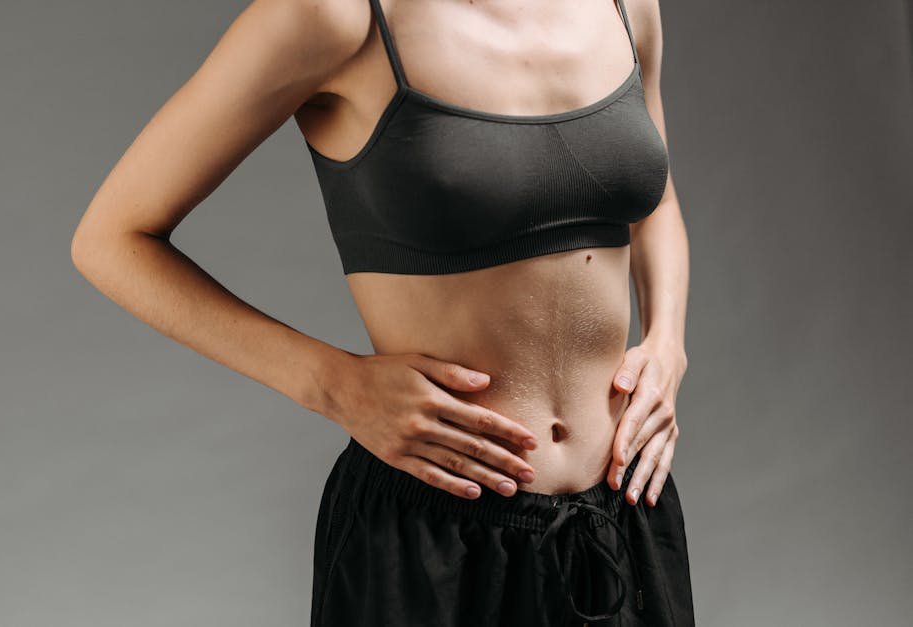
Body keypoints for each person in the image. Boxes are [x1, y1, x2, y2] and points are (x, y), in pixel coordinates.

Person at [70, 0, 693, 624]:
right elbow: (111, 240)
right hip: (436, 534)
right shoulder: (333, 16)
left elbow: (654, 199)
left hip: (624, 512)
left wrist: (668, 342)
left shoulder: (625, 7)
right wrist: (330, 383)